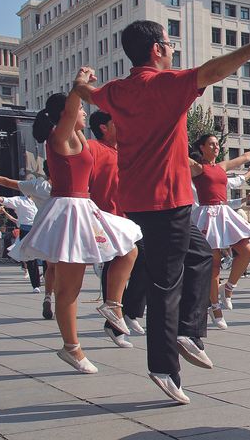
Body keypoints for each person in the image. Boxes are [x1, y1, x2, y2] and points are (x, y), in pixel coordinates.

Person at [73, 20, 250, 404]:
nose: (171, 50)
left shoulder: (117, 91)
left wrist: (82, 82)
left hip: (141, 198)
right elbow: (214, 70)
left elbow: (92, 93)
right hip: (165, 198)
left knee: (200, 256)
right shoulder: (165, 85)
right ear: (156, 49)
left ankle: (189, 330)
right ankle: (165, 366)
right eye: (168, 44)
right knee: (166, 283)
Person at [11, 83, 142, 375]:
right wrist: (77, 88)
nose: (83, 111)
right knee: (69, 288)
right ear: (65, 113)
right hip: (69, 209)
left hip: (84, 207)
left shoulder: (79, 136)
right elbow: (71, 110)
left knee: (129, 247)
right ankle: (71, 348)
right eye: (80, 108)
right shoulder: (59, 137)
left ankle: (112, 304)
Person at [189, 135, 250, 329]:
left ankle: (228, 288)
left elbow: (246, 158)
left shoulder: (221, 166)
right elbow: (177, 155)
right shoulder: (198, 168)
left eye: (217, 144)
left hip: (223, 213)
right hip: (207, 214)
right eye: (211, 144)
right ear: (202, 148)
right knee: (213, 265)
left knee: (247, 251)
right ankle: (215, 307)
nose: (216, 147)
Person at [87, 110, 142, 347]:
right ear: (103, 128)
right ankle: (115, 314)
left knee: (140, 261)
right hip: (103, 217)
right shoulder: (92, 147)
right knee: (127, 255)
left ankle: (122, 314)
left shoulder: (124, 151)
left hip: (127, 217)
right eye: (116, 122)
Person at [0, 165, 55, 316]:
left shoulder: (38, 185)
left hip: (43, 230)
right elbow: (4, 194)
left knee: (50, 266)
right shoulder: (25, 196)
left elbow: (6, 182)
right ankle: (44, 290)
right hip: (40, 229)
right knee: (43, 263)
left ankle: (48, 296)